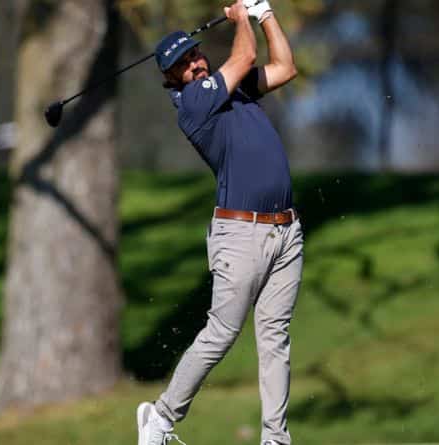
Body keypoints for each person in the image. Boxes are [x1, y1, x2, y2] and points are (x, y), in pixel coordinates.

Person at [136, 1, 302, 445]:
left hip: (286, 231)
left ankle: (275, 438)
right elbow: (245, 55)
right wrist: (242, 17)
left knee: (275, 338)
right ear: (171, 79)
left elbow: (285, 67)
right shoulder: (194, 102)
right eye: (183, 64)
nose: (194, 63)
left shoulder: (234, 89)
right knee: (222, 333)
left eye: (194, 54)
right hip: (240, 235)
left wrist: (266, 14)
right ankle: (160, 418)